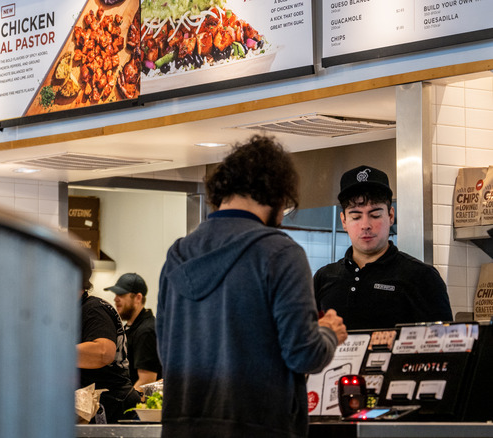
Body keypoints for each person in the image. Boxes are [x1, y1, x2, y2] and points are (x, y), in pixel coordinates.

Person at [157, 134, 348, 438]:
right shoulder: (280, 253)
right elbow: (303, 354)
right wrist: (328, 332)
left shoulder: (177, 255)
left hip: (182, 428)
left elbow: (166, 354)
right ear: (276, 194)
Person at [314, 165, 453, 330]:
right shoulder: (324, 277)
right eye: (356, 216)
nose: (365, 225)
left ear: (391, 216)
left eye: (375, 215)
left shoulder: (422, 277)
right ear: (344, 221)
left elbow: (445, 345)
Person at [78, 279, 140, 423]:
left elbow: (103, 352)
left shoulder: (93, 309)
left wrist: (50, 351)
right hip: (95, 407)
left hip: (112, 407)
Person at [104, 272, 162, 393]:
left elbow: (146, 382)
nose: (115, 299)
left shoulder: (146, 331)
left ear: (138, 298)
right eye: (115, 294)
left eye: (121, 294)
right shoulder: (130, 328)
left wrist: (123, 405)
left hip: (137, 408)